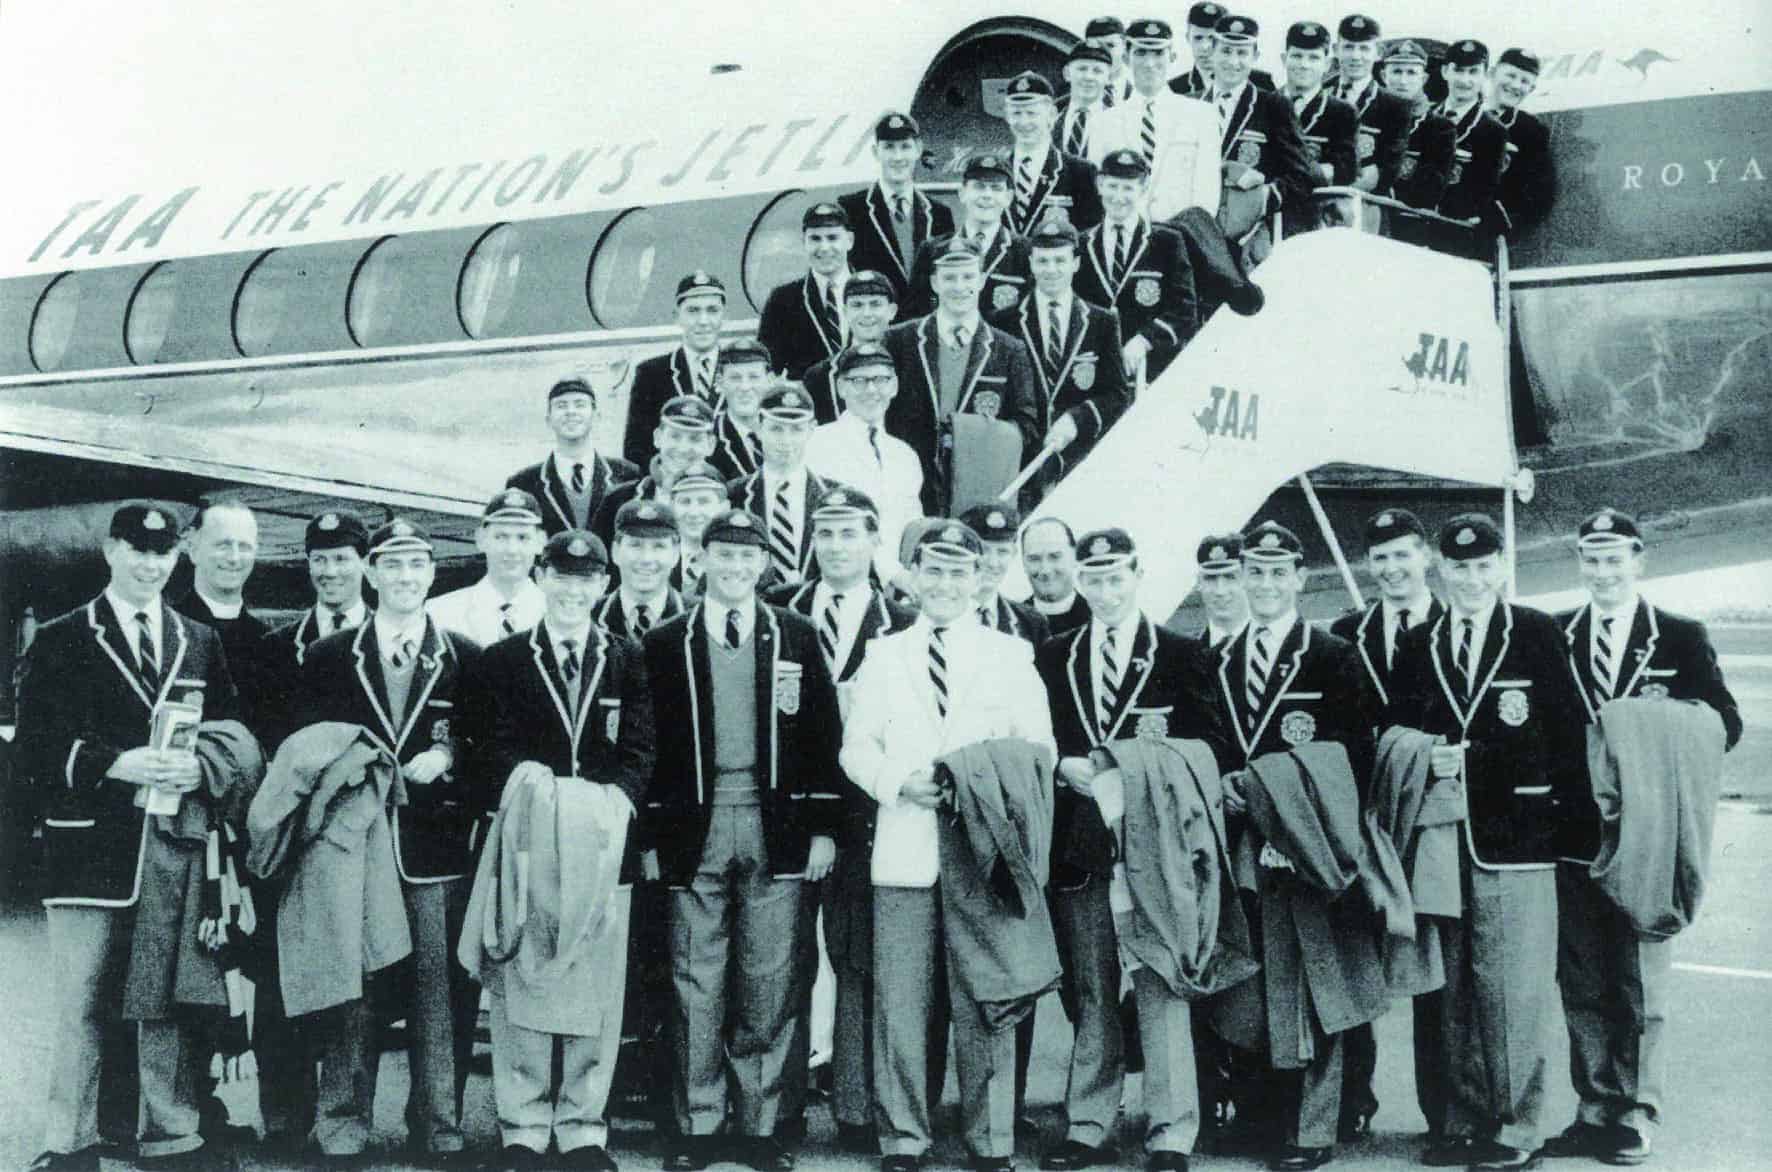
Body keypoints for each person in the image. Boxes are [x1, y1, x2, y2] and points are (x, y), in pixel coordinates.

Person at [15, 503, 241, 1172]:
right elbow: (30, 751)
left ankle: (168, 1134)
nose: (150, 564)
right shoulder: (61, 637)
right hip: (86, 850)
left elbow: (230, 734)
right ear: (112, 551)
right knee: (81, 1002)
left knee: (163, 1000)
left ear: (177, 558)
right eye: (138, 550)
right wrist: (113, 762)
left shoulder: (198, 639)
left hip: (171, 850)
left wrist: (201, 765)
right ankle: (71, 1140)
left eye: (163, 553)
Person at [840, 520, 1058, 1172]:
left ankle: (990, 1139)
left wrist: (974, 782)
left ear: (978, 579)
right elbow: (855, 747)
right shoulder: (885, 654)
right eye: (932, 572)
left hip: (982, 853)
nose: (943, 585)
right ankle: (903, 1137)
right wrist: (897, 782)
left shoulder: (1009, 656)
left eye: (957, 572)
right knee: (902, 1002)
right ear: (913, 577)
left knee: (986, 998)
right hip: (906, 848)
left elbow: (1040, 748)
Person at [1385, 514, 1594, 1171]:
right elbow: (1395, 732)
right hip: (1443, 839)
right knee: (1452, 992)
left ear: (1501, 567)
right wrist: (1424, 757)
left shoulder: (1535, 633)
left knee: (1514, 991)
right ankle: (1462, 1122)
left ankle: (1517, 1127)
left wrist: (1572, 837)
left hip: (1521, 842)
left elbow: (1567, 738)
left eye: (1483, 568)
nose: (1472, 580)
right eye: (1458, 568)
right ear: (1439, 571)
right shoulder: (1419, 644)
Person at [641, 508, 843, 1172]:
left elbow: (822, 738)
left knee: (770, 977)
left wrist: (820, 827)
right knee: (695, 977)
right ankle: (698, 1125)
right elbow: (648, 749)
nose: (734, 568)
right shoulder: (666, 640)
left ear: (763, 563)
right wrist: (652, 834)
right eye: (722, 556)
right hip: (695, 824)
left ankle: (758, 1127)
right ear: (699, 562)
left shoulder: (796, 635)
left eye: (746, 557)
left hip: (775, 821)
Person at [1544, 508, 1741, 1167]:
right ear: (1581, 564)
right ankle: (1593, 1106)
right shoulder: (1555, 634)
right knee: (1582, 980)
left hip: (1647, 840)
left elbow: (1724, 724)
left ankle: (1635, 1113)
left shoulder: (1680, 637)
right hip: (1574, 836)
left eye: (1614, 560)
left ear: (1638, 561)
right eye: (1591, 561)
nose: (1603, 573)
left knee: (1641, 984)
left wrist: (1645, 730)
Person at [292, 518, 484, 1162]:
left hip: (436, 848)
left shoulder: (465, 655)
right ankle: (342, 1122)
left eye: (417, 567)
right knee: (356, 987)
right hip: (354, 844)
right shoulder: (326, 658)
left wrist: (452, 753)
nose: (405, 579)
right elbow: (303, 750)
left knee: (441, 989)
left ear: (432, 576)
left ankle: (439, 1125)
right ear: (370, 575)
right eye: (392, 567)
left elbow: (489, 747)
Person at [1034, 527, 1224, 1172]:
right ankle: (1089, 1120)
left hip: (1155, 851)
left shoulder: (1180, 653)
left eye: (1117, 577)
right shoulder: (1054, 655)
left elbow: (1208, 753)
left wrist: (1140, 769)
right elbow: (1042, 740)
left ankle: (1172, 1129)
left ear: (1138, 574)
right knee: (1091, 988)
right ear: (1080, 582)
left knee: (1161, 984)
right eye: (1094, 579)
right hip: (1083, 848)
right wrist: (1064, 766)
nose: (1106, 591)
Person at [466, 528, 656, 1172]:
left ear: (603, 585)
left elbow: (640, 750)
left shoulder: (627, 658)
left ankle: (581, 1124)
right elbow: (487, 746)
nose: (574, 590)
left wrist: (611, 806)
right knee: (523, 979)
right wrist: (539, 795)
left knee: (595, 987)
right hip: (527, 850)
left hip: (603, 849)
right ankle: (522, 1123)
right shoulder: (504, 660)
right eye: (562, 577)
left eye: (587, 580)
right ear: (541, 578)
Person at [1203, 521, 1381, 1172]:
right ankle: (1259, 1116)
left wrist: (1298, 828)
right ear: (1242, 578)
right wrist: (1223, 789)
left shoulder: (1331, 655)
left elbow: (1353, 756)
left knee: (1312, 984)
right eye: (1257, 572)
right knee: (1251, 981)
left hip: (1304, 849)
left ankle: (1312, 1128)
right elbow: (1215, 748)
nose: (1268, 584)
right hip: (1241, 850)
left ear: (1301, 580)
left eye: (1280, 573)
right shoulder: (1220, 659)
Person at [766, 487, 920, 1151]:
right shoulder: (780, 614)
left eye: (848, 534)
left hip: (867, 817)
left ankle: (857, 1108)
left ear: (872, 538)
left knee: (858, 956)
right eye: (823, 533)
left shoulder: (902, 620)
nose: (834, 546)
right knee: (782, 961)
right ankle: (781, 1107)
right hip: (789, 812)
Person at [1325, 507, 1445, 1143]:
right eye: (1381, 558)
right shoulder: (1347, 633)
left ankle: (1444, 1111)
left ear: (1424, 556)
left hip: (1430, 822)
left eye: (1403, 555)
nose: (1393, 569)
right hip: (1363, 820)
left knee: (1433, 969)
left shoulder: (1459, 625)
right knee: (1353, 959)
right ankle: (1351, 1101)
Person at [884, 238, 1041, 516]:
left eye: (968, 276)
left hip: (977, 490)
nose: (959, 287)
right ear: (934, 282)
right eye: (949, 277)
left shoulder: (1009, 349)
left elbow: (1026, 425)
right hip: (910, 487)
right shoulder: (900, 340)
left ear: (981, 280)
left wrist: (968, 435)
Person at [989, 219, 1131, 484]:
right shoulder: (1003, 321)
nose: (1051, 270)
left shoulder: (1102, 322)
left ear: (1076, 263)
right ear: (1030, 263)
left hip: (1079, 458)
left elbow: (1118, 394)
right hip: (1022, 461)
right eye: (1042, 261)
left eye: (1060, 260)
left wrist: (1076, 420)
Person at [803, 342, 926, 596]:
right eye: (859, 380)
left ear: (894, 386)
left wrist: (915, 580)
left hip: (901, 595)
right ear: (841, 387)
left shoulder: (905, 455)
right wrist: (894, 574)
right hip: (844, 586)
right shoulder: (816, 444)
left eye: (880, 380)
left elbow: (913, 529)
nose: (871, 390)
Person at [1074, 150, 1201, 386]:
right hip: (1092, 372)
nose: (1118, 197)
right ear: (1099, 185)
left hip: (1150, 371)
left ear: (1143, 190)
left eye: (1128, 188)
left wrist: (1144, 341)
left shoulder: (1167, 242)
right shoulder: (1082, 243)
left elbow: (1184, 311)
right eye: (1112, 186)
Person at [257, 510, 374, 751]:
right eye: (320, 560)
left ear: (365, 563)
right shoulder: (276, 646)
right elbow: (268, 732)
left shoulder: (388, 639)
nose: (330, 571)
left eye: (341, 559)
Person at [1091, 19, 1221, 223]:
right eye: (1140, 53)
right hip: (1125, 240)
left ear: (1173, 57)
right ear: (1126, 58)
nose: (1150, 64)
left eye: (1159, 53)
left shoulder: (1201, 115)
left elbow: (1207, 193)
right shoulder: (1105, 121)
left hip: (1182, 239)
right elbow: (1099, 191)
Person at [1208, 13, 1315, 255]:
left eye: (1242, 53)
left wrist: (1267, 196)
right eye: (1226, 51)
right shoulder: (1191, 104)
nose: (1233, 61)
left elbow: (1302, 175)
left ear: (1255, 57)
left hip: (1249, 235)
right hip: (1197, 228)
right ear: (1211, 52)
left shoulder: (1274, 106)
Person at [728, 385, 850, 587]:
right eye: (776, 429)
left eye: (796, 429)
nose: (786, 441)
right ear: (758, 427)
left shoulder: (836, 498)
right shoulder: (734, 495)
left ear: (812, 429)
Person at [838, 112, 955, 313]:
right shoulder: (851, 209)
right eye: (889, 147)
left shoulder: (940, 214)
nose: (897, 157)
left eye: (905, 147)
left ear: (918, 150)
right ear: (876, 152)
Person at [171, 496, 270, 725]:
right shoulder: (166, 629)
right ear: (193, 549)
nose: (234, 558)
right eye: (223, 545)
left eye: (244, 547)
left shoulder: (270, 642)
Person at [906, 153, 1034, 321]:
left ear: (1008, 197)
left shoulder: (1025, 251)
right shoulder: (932, 250)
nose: (987, 195)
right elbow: (914, 314)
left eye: (996, 188)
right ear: (962, 193)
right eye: (979, 187)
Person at [507, 377, 639, 537]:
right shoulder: (523, 483)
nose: (571, 411)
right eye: (561, 405)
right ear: (548, 420)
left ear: (596, 416)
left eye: (579, 404)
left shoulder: (627, 475)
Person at [622, 271, 728, 464]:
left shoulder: (739, 372)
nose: (703, 321)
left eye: (712, 310)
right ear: (676, 317)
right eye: (693, 311)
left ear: (723, 315)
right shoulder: (651, 374)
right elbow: (636, 450)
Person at [593, 394, 719, 548]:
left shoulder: (728, 501)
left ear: (711, 445)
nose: (683, 448)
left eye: (695, 439)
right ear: (657, 438)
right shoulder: (618, 500)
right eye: (675, 436)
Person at [427, 487, 547, 646]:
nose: (512, 549)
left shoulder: (558, 614)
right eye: (501, 537)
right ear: (481, 539)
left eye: (523, 538)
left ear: (540, 542)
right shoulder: (439, 613)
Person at [1429, 40, 1509, 258]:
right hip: (1411, 226)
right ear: (1445, 71)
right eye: (1458, 70)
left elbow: (1480, 194)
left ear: (1485, 76)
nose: (1465, 80)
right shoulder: (1425, 117)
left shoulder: (1492, 130)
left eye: (1473, 72)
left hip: (1457, 235)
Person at [1000, 70, 1104, 236]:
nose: (1024, 122)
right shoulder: (998, 171)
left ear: (1052, 115)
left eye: (1032, 113)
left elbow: (1091, 236)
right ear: (1006, 116)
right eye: (1016, 113)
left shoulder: (1081, 172)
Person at [759, 203, 855, 381]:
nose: (824, 247)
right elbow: (768, 370)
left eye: (832, 238)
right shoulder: (782, 300)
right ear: (804, 242)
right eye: (815, 239)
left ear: (849, 241)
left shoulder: (875, 293)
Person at [1281, 21, 1359, 228]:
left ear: (1327, 64)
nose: (1304, 64)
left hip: (1316, 216)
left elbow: (1346, 170)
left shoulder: (1341, 112)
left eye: (1314, 57)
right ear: (1284, 59)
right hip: (1269, 213)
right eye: (1296, 56)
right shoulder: (1266, 103)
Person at [802, 270, 900, 425]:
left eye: (875, 304)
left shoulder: (911, 364)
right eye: (857, 305)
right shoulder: (820, 377)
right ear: (845, 312)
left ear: (892, 311)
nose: (866, 313)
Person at [1331, 15, 1411, 198]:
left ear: (1378, 52)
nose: (1356, 56)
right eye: (1348, 47)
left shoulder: (1395, 106)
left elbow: (1385, 171)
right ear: (1336, 50)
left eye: (1364, 48)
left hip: (1367, 207)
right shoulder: (1321, 95)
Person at [595, 499, 689, 641]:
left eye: (658, 546)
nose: (646, 558)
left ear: (676, 554)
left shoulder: (698, 616)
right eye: (635, 545)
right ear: (615, 551)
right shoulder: (589, 615)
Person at [1486, 49, 1556, 239]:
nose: (1516, 85)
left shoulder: (1532, 133)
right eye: (1510, 75)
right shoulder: (1458, 110)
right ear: (1492, 73)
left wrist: (1504, 230)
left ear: (1531, 89)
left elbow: (1540, 197)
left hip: (1483, 234)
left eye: (1525, 81)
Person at [1381, 41, 1455, 217]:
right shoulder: (1368, 115)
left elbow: (1428, 193)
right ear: (1384, 76)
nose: (1403, 80)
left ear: (1424, 79)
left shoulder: (1440, 129)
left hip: (1407, 222)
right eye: (1397, 71)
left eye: (1411, 72)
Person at [962, 503, 1051, 646]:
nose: (993, 562)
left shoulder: (1031, 623)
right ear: (965, 551)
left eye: (1002, 552)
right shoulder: (935, 614)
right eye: (983, 550)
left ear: (1014, 554)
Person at [1170, 2, 1277, 96]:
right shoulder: (1174, 89)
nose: (1205, 47)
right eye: (1198, 38)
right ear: (1188, 38)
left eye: (1212, 38)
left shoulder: (1261, 82)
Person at [710, 339, 772, 483]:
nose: (745, 387)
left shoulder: (788, 430)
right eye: (735, 378)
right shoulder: (709, 438)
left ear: (769, 381)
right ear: (720, 383)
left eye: (754, 377)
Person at [667, 461, 731, 598]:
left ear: (724, 508)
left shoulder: (740, 560)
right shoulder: (660, 557)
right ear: (671, 508)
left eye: (703, 502)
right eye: (685, 502)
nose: (694, 512)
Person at [1022, 516, 1092, 636]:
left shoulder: (1097, 620)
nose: (1045, 570)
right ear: (1023, 562)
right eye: (1034, 558)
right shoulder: (1010, 621)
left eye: (1054, 556)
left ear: (1074, 556)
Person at [1055, 42, 1115, 159]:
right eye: (1082, 69)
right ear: (1067, 73)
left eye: (1097, 71)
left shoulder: (1120, 122)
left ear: (1108, 78)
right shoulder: (1050, 118)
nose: (1089, 77)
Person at [1194, 532, 1250, 650]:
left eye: (1230, 577)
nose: (1220, 591)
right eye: (1211, 578)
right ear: (1199, 583)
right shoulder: (1185, 654)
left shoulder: (1276, 647)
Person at [1084, 16, 1133, 107]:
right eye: (1095, 47)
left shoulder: (1140, 89)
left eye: (1110, 45)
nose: (1104, 53)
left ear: (1124, 46)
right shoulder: (1073, 91)